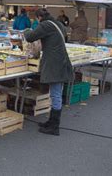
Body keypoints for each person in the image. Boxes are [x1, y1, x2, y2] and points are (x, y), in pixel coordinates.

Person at [24, 8, 73, 136]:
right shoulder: (59, 24)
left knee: (56, 94)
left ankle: (54, 127)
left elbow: (30, 37)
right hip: (61, 60)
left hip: (55, 63)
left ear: (39, 17)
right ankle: (51, 122)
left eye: (37, 19)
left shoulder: (45, 25)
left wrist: (26, 30)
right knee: (55, 93)